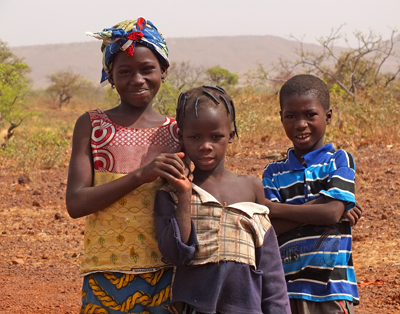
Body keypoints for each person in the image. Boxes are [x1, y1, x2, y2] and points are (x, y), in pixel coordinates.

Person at [66, 17, 185, 314]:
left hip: (167, 274)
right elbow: (76, 203)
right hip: (105, 272)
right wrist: (140, 176)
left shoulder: (178, 132)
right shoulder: (92, 126)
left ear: (164, 70)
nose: (137, 80)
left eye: (147, 69)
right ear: (110, 75)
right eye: (124, 71)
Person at [154, 85, 291, 314]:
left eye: (216, 137)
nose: (206, 145)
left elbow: (270, 267)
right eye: (195, 137)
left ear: (231, 135)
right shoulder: (170, 192)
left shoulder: (251, 188)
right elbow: (176, 253)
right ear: (180, 136)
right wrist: (185, 195)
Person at [262, 74, 360, 314]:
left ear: (327, 116)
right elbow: (270, 229)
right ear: (281, 118)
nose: (300, 124)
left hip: (332, 288)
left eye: (310, 115)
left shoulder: (339, 160)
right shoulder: (273, 172)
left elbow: (330, 213)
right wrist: (325, 206)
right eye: (291, 116)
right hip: (286, 288)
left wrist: (274, 209)